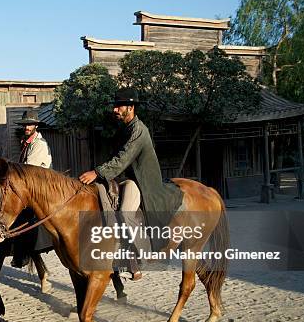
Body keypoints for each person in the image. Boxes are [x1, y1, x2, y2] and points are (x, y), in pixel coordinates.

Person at [78, 88, 183, 280]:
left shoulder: (138, 130)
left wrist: (97, 172)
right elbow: (114, 156)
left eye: (119, 106)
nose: (115, 110)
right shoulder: (124, 129)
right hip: (123, 179)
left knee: (126, 212)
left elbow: (122, 159)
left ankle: (146, 253)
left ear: (131, 107)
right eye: (115, 106)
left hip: (141, 181)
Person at [11, 110, 53, 268]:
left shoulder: (39, 144)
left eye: (29, 124)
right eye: (25, 124)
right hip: (31, 185)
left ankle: (23, 255)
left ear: (36, 125)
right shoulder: (27, 142)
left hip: (41, 187)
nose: (27, 127)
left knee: (24, 216)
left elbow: (27, 170)